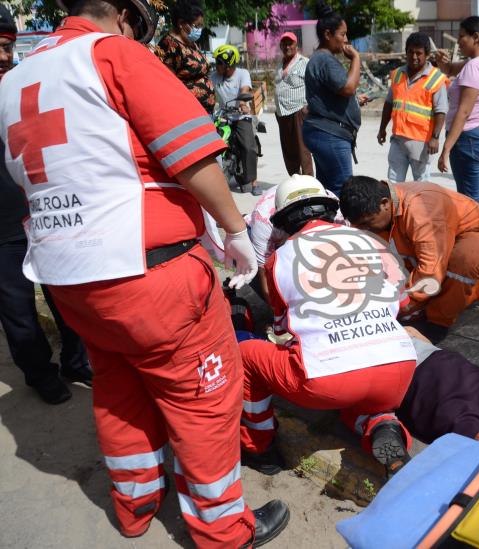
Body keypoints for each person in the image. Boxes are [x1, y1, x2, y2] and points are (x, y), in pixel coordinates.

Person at [0, 0, 288, 546]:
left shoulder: (16, 78)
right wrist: (232, 229)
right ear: (121, 13)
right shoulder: (114, 55)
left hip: (69, 279)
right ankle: (224, 530)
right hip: (149, 272)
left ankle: (133, 509)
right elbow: (193, 153)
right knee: (205, 398)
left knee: (118, 387)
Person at [238, 175, 417, 479]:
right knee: (360, 392)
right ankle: (381, 423)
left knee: (245, 355)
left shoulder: (279, 259)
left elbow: (283, 328)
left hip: (327, 381)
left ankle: (260, 447)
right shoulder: (369, 241)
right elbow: (400, 304)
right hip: (398, 369)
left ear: (284, 221)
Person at [0, 4, 92, 405]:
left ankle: (76, 359)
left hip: (42, 211)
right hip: (2, 228)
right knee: (17, 308)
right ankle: (39, 372)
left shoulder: (17, 86)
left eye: (7, 46)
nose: (5, 55)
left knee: (67, 292)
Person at [339, 176, 479, 343]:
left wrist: (403, 306)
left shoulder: (422, 212)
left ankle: (439, 323)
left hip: (469, 232)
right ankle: (476, 280)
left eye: (368, 223)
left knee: (462, 263)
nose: (365, 229)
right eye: (360, 226)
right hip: (431, 236)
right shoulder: (372, 211)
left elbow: (431, 271)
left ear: (385, 203)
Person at [302, 1, 369, 195]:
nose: (346, 40)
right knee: (343, 191)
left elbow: (333, 96)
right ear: (328, 34)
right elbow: (348, 87)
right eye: (342, 34)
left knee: (328, 190)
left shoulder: (321, 58)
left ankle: (327, 223)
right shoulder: (324, 59)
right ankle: (340, 225)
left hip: (324, 132)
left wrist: (355, 102)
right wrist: (356, 59)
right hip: (330, 135)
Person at [435, 16, 479, 203]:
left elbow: (464, 112)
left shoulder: (475, 65)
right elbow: (451, 69)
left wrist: (446, 148)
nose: (458, 41)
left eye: (462, 36)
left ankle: (477, 232)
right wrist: (443, 63)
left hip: (468, 139)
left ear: (476, 37)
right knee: (469, 198)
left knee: (469, 202)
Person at [377, 32, 448, 182]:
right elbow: (389, 103)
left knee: (421, 187)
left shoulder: (436, 78)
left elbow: (440, 111)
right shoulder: (397, 75)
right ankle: (397, 206)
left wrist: (435, 138)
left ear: (427, 55)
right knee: (394, 184)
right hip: (398, 140)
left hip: (421, 144)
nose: (414, 56)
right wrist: (382, 128)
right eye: (410, 52)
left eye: (419, 53)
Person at [211, 44, 262, 196]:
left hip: (240, 115)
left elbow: (244, 90)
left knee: (248, 147)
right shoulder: (214, 76)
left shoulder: (242, 73)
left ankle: (253, 182)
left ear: (228, 64)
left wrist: (242, 103)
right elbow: (208, 90)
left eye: (219, 62)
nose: (216, 66)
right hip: (222, 116)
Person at [155, 0, 215, 114]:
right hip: (188, 113)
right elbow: (167, 84)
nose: (199, 30)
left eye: (201, 26)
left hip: (205, 113)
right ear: (181, 23)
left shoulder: (191, 43)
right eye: (196, 26)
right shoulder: (170, 45)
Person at [274, 32, 313, 177]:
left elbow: (314, 85)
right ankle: (295, 179)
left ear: (296, 45)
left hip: (298, 111)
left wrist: (307, 107)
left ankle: (309, 180)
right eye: (284, 44)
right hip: (282, 113)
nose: (287, 46)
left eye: (290, 43)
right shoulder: (280, 64)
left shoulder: (305, 62)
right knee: (289, 150)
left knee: (303, 150)